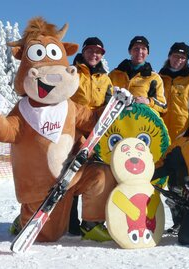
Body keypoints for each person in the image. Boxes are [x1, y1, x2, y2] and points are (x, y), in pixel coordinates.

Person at [69, 37, 113, 236]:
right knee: (70, 175)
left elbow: (110, 105)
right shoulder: (72, 72)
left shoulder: (105, 79)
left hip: (95, 134)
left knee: (96, 176)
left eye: (98, 52)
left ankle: (91, 222)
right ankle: (69, 221)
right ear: (84, 52)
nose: (94, 55)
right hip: (73, 132)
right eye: (90, 51)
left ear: (102, 55)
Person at [152, 94, 189, 245]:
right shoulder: (182, 139)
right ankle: (184, 214)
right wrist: (144, 174)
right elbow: (165, 164)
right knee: (186, 238)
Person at [109, 36, 167, 114]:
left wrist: (148, 101)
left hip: (139, 123)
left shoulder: (154, 78)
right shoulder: (114, 74)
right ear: (130, 51)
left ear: (147, 53)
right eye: (136, 48)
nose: (140, 51)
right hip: (116, 122)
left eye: (143, 49)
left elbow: (163, 106)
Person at [159, 42, 189, 142]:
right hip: (159, 128)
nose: (179, 60)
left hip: (182, 131)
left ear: (186, 60)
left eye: (182, 57)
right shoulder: (158, 78)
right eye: (176, 56)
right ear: (169, 56)